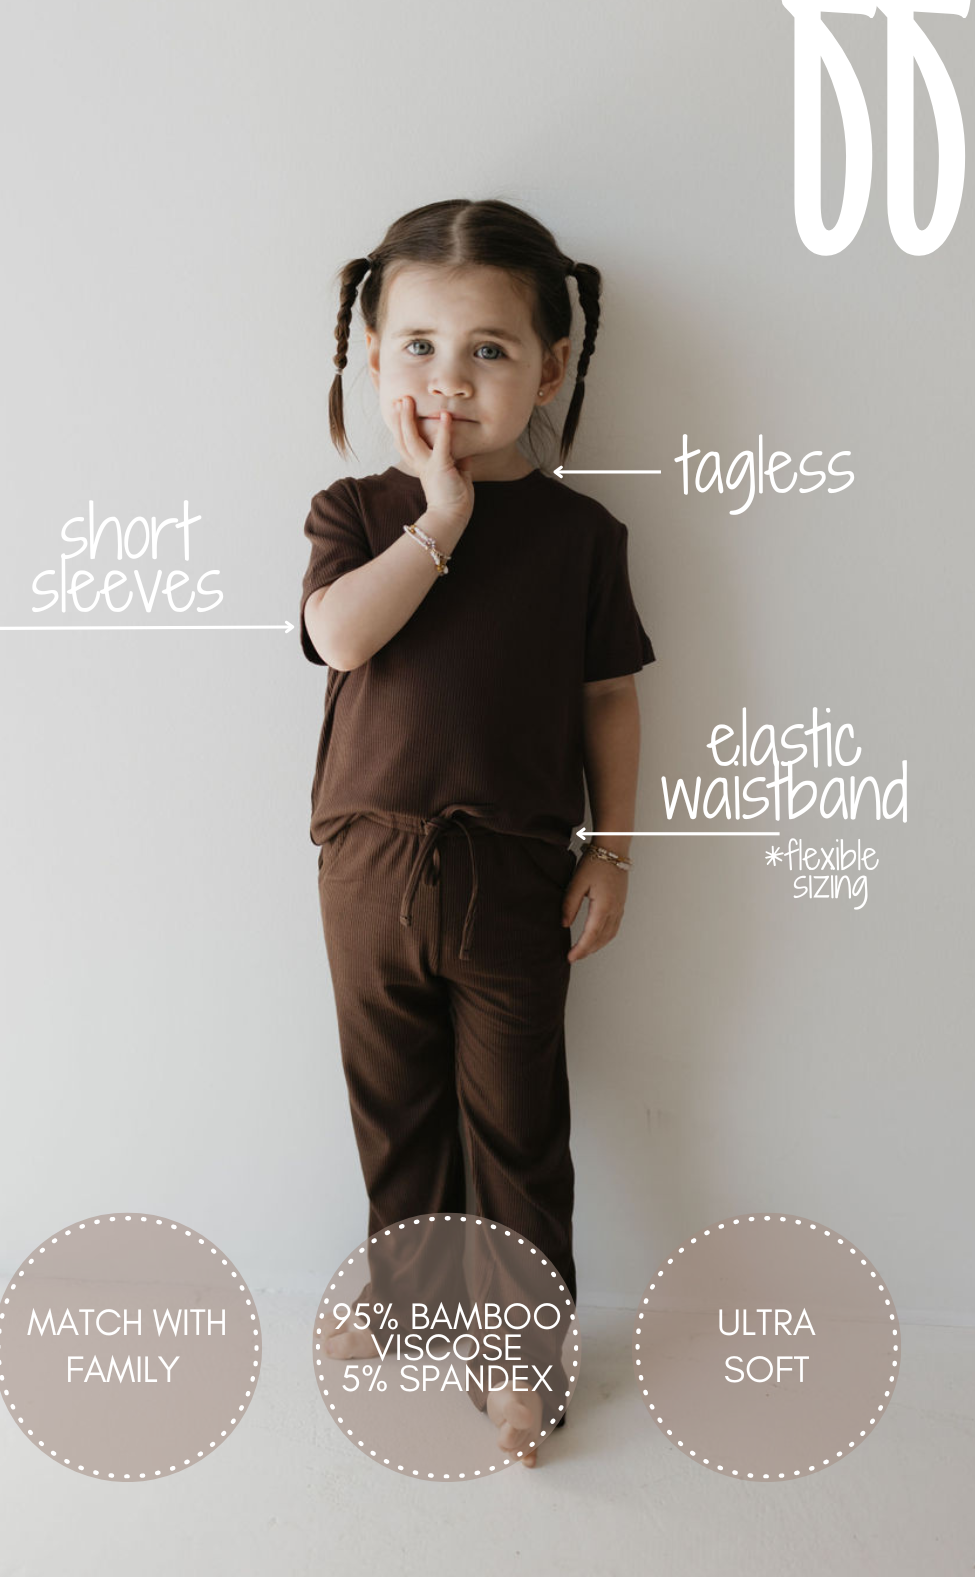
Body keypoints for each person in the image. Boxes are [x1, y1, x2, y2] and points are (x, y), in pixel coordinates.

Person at [300, 197, 654, 1466]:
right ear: (375, 359)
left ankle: (524, 1357)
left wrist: (613, 853)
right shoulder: (356, 513)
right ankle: (411, 1296)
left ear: (550, 368)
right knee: (395, 1107)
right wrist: (437, 523)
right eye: (419, 348)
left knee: (515, 1123)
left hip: (513, 872)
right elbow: (343, 636)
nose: (450, 380)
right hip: (366, 862)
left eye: (490, 352)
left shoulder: (581, 540)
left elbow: (608, 701)